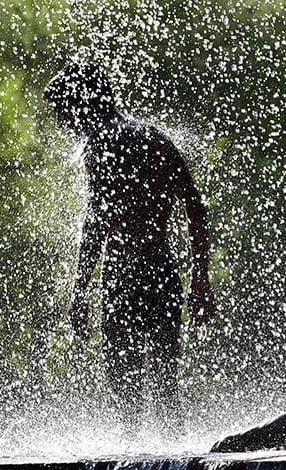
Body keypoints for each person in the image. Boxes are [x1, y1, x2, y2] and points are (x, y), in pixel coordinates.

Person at [43, 62, 215, 409]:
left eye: (64, 112)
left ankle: (136, 459)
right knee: (167, 387)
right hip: (162, 269)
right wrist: (200, 279)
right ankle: (173, 458)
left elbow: (95, 222)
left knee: (126, 391)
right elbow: (196, 208)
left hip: (122, 273)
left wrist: (80, 290)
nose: (63, 123)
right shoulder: (156, 138)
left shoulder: (100, 144)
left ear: (82, 103)